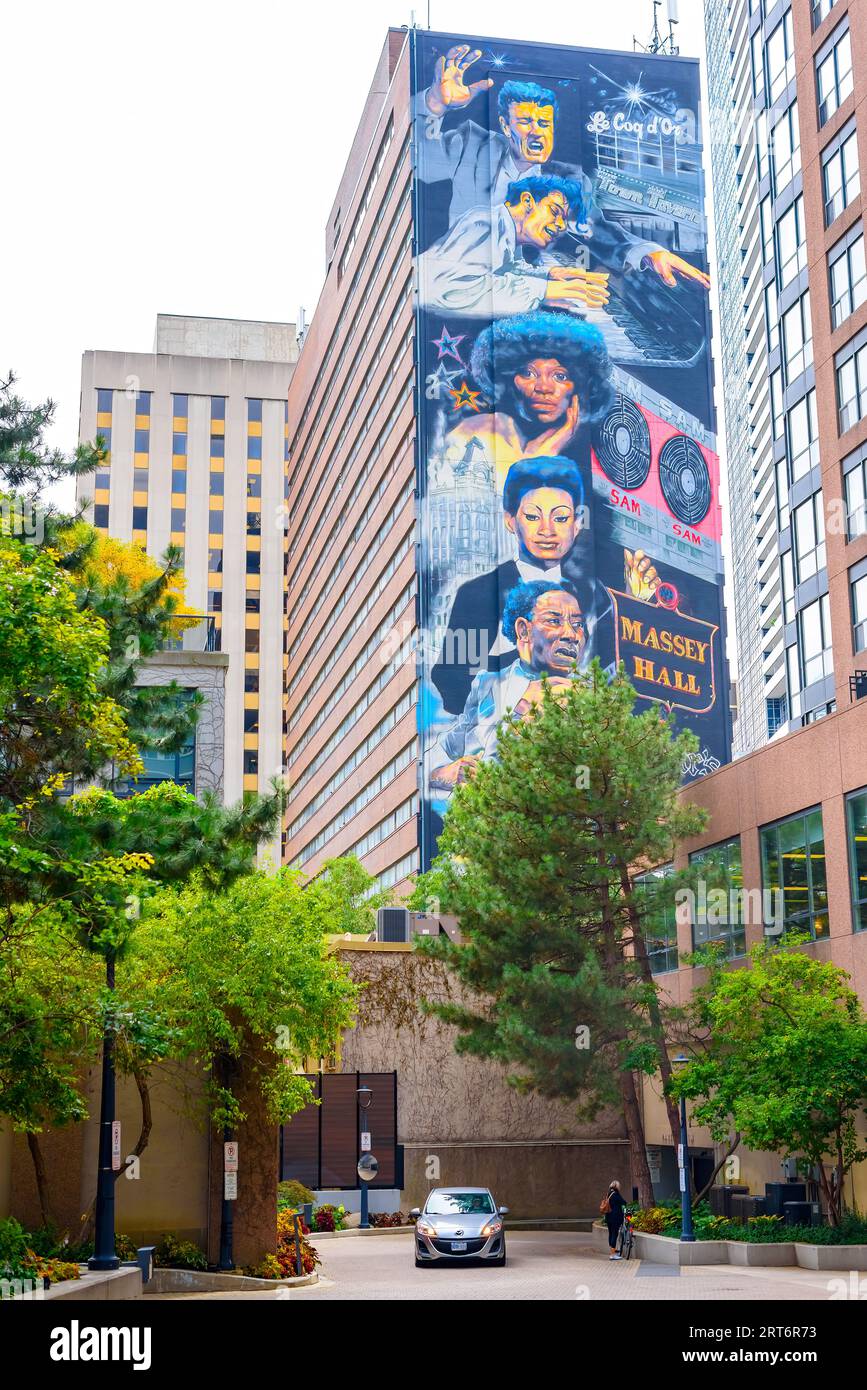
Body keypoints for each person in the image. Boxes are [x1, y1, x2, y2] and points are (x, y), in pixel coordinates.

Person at [415, 48, 711, 292]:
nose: (536, 133)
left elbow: (599, 231)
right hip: (462, 285)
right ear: (505, 126)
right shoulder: (473, 143)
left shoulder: (569, 180)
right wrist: (435, 104)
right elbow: (421, 162)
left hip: (532, 290)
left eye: (544, 124)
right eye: (524, 122)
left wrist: (649, 251)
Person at [431, 455, 590, 714]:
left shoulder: (590, 596)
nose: (547, 530)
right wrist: (514, 695)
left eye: (560, 518)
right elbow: (450, 681)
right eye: (532, 516)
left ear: (577, 523)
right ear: (510, 520)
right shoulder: (479, 594)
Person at [430, 580, 585, 790]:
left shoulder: (592, 699)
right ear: (523, 630)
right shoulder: (488, 684)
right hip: (478, 818)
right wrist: (444, 772)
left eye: (578, 625)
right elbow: (442, 748)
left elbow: (589, 780)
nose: (571, 635)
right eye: (554, 621)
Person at [444, 311, 613, 491]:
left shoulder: (588, 458)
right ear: (508, 378)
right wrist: (542, 456)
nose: (544, 387)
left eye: (560, 376)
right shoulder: (475, 435)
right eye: (528, 373)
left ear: (579, 386)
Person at [418, 174, 611, 319]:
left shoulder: (507, 229)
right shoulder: (485, 225)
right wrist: (544, 290)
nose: (561, 225)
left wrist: (550, 275)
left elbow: (505, 269)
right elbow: (448, 290)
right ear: (527, 201)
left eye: (565, 220)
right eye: (555, 211)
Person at [603, 1179, 627, 1260]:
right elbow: (623, 1202)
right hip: (615, 1217)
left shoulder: (609, 1193)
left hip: (608, 1217)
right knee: (614, 1234)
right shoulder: (616, 1194)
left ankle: (612, 1252)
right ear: (617, 1186)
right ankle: (613, 1255)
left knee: (611, 1234)